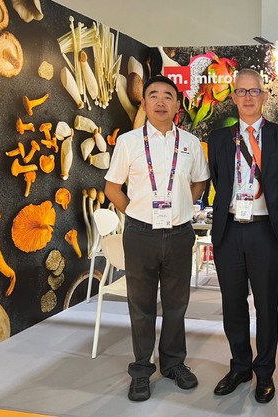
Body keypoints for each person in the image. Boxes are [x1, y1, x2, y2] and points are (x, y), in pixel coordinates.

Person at [104, 75, 210, 402]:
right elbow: (112, 188)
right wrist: (136, 212)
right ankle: (140, 370)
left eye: (168, 96)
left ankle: (174, 363)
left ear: (178, 104)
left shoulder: (191, 143)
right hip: (140, 235)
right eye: (154, 95)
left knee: (177, 304)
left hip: (179, 234)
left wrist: (182, 205)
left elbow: (200, 182)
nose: (161, 102)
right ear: (145, 103)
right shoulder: (129, 142)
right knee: (141, 305)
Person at [207, 68, 278, 403]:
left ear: (265, 95)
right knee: (232, 304)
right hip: (229, 230)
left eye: (254, 91)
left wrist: (266, 205)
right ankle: (240, 366)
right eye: (242, 91)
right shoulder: (219, 139)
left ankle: (264, 372)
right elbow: (219, 181)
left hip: (265, 231)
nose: (248, 97)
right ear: (233, 97)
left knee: (266, 305)